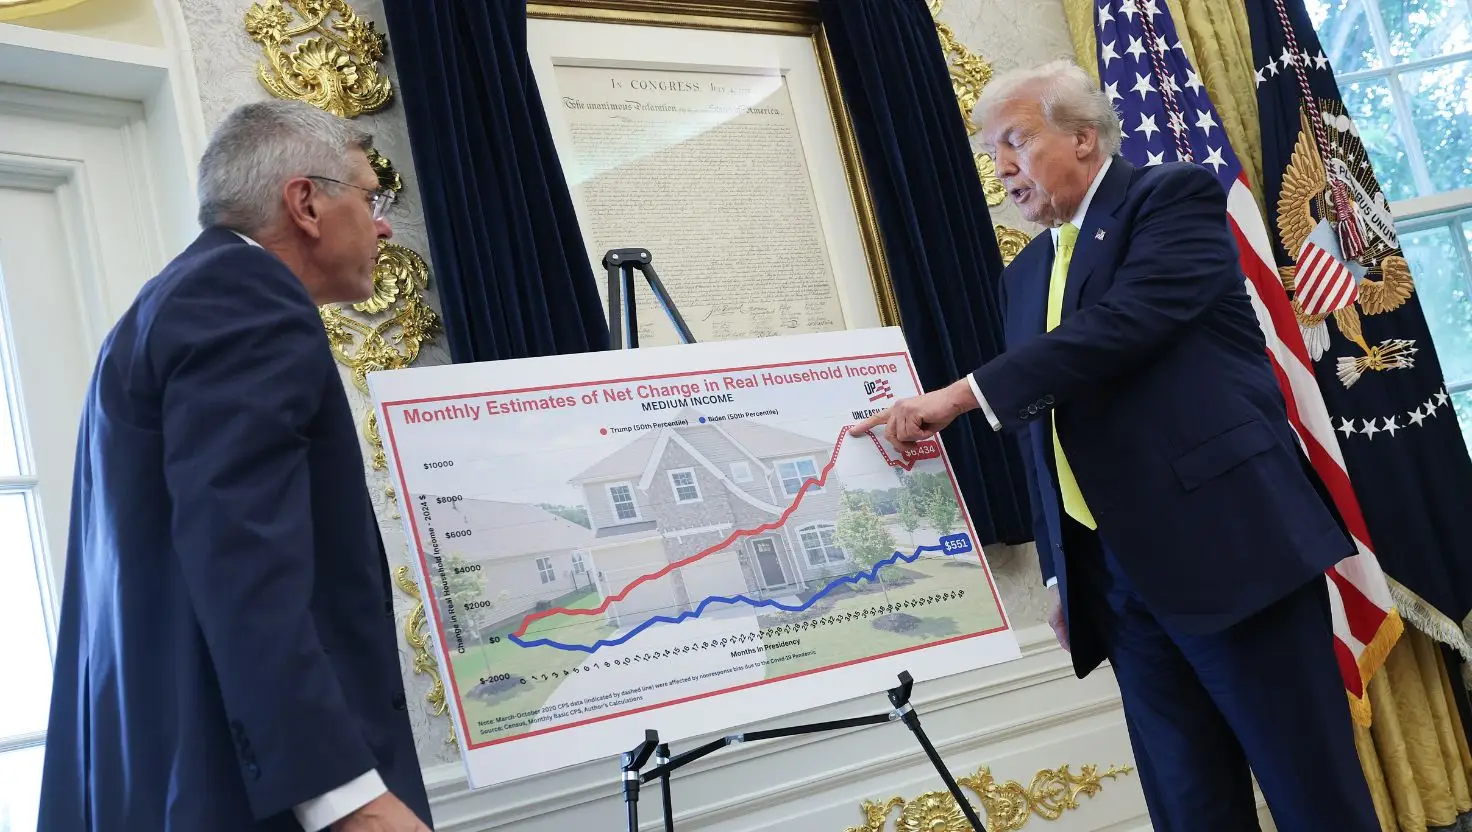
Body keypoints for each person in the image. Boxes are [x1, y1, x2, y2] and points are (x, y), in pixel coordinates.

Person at [852, 61, 1377, 831]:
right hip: (1117, 583)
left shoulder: (1172, 198)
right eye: (990, 150)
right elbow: (1043, 428)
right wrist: (1063, 576)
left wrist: (960, 395)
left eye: (1016, 140)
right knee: (1190, 806)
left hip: (1233, 552)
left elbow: (1120, 328)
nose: (999, 167)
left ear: (1084, 139)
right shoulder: (1025, 273)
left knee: (1311, 794)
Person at [39, 99, 433, 832]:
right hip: (250, 797)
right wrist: (350, 801)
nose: (382, 226)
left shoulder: (168, 302)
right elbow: (242, 555)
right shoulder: (244, 297)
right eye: (370, 198)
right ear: (306, 203)